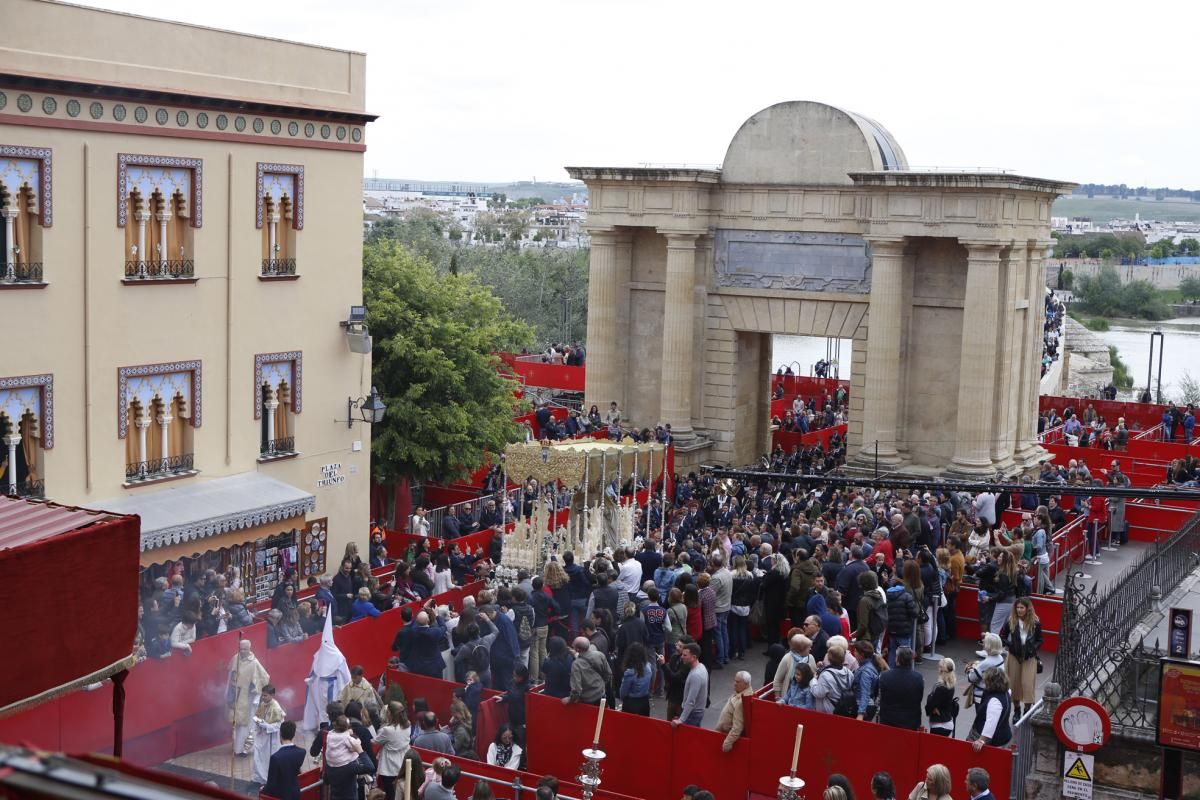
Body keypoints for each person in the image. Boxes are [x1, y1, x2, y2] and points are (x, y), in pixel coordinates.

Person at [999, 597, 1042, 722]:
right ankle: (1017, 710)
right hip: (1014, 656)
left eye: (1021, 607)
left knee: (1027, 685)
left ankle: (1027, 711)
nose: (1019, 610)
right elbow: (1002, 636)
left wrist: (1033, 649)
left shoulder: (1035, 622)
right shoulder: (1011, 621)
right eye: (1017, 607)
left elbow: (1040, 639)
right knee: (1014, 684)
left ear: (1027, 608)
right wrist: (1010, 645)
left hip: (1029, 657)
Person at [227, 640, 270, 756]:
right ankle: (237, 747)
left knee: (246, 725)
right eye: (241, 649)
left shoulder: (254, 663)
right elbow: (230, 674)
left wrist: (255, 688)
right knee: (237, 724)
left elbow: (265, 677)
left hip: (248, 698)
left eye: (245, 649)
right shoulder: (235, 658)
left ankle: (244, 749)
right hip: (236, 695)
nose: (242, 651)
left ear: (250, 649)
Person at [323, 715, 371, 800]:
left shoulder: (330, 761)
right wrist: (360, 751)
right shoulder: (349, 767)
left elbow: (326, 780)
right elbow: (369, 767)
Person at [877, 647, 923, 730]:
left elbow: (881, 697)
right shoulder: (918, 678)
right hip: (910, 722)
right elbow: (919, 698)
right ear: (911, 660)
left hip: (888, 721)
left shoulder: (884, 676)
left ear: (897, 659)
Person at [968, 668, 1013, 750]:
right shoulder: (1007, 691)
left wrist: (981, 740)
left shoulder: (995, 701)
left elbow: (991, 722)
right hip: (1004, 736)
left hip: (990, 740)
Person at [373, 701, 411, 798]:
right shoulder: (408, 725)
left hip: (389, 765)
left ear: (390, 713)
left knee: (390, 793)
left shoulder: (387, 730)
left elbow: (376, 741)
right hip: (403, 762)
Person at [251, 685, 285, 785]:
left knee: (267, 759)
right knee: (258, 756)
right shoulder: (263, 704)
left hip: (270, 738)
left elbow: (279, 724)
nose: (263, 697)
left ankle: (266, 778)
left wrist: (266, 725)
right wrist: (258, 722)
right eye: (262, 695)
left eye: (265, 695)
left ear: (271, 695)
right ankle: (259, 777)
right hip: (261, 735)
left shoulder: (276, 707)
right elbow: (258, 716)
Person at [263, 720, 305, 800]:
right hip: (295, 792)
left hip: (280, 795)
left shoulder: (275, 758)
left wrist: (262, 790)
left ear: (280, 734)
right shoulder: (301, 752)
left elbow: (271, 784)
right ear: (293, 735)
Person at [564, 636, 610, 706]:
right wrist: (602, 684)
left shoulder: (576, 664)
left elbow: (576, 689)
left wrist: (570, 700)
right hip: (601, 695)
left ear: (577, 649)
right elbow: (608, 673)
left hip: (587, 700)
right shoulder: (600, 655)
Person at [671, 643, 708, 727]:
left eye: (685, 655)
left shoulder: (696, 675)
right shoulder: (701, 667)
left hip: (692, 714)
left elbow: (691, 700)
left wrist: (681, 719)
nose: (681, 657)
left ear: (694, 657)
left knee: (686, 739)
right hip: (696, 712)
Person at [715, 671, 754, 752]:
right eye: (735, 681)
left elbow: (738, 727)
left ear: (746, 684)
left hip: (725, 736)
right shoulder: (740, 691)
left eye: (738, 682)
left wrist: (727, 743)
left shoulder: (742, 701)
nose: (734, 683)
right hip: (721, 733)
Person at [811, 644, 852, 715]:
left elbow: (818, 693)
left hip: (827, 711)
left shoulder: (826, 675)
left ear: (829, 658)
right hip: (843, 709)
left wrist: (813, 680)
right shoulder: (849, 673)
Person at [967, 633, 1006, 706]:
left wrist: (970, 669)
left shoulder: (985, 664)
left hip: (982, 696)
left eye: (985, 642)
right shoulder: (1000, 658)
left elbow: (971, 678)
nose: (983, 643)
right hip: (996, 694)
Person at [925, 658, 959, 737]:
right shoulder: (951, 685)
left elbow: (931, 704)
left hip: (940, 724)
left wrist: (931, 700)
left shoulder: (940, 687)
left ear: (941, 670)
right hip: (947, 721)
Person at [618, 641, 654, 716]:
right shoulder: (648, 666)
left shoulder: (630, 673)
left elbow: (623, 692)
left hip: (631, 704)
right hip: (644, 702)